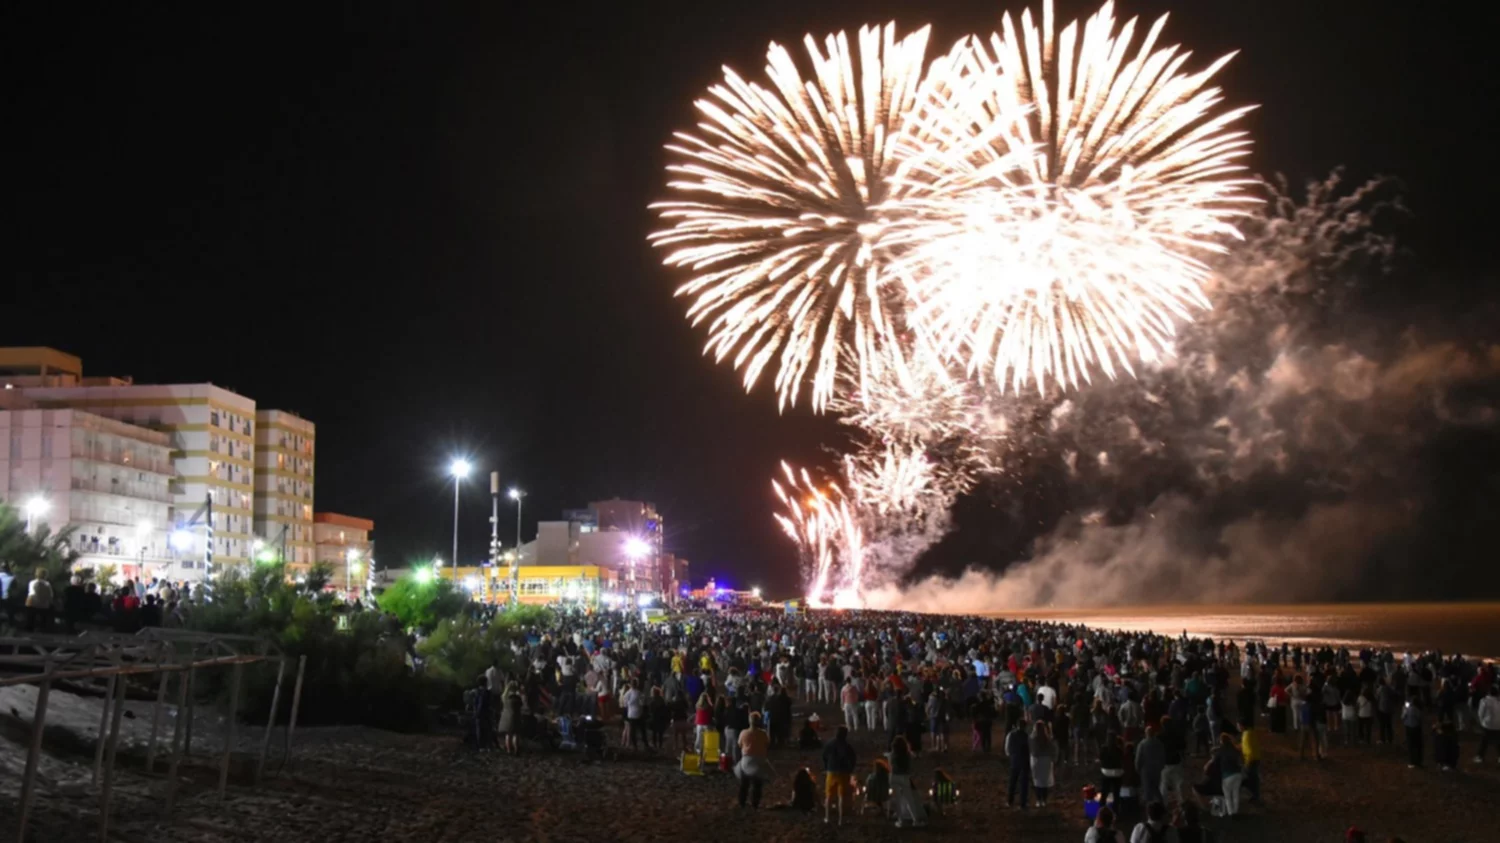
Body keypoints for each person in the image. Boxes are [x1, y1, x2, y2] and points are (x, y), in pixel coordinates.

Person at [735, 712, 774, 808]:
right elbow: (767, 744)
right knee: (758, 783)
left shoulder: (744, 733)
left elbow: (739, 744)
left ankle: (742, 801)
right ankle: (755, 803)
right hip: (760, 760)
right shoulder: (763, 733)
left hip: (747, 760)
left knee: (744, 782)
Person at [821, 725, 857, 825]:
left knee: (828, 796)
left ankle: (827, 817)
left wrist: (826, 766)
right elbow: (853, 759)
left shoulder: (829, 744)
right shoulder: (847, 746)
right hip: (844, 772)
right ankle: (841, 820)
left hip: (831, 771)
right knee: (842, 796)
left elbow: (824, 756)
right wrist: (850, 769)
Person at [888, 736, 924, 827]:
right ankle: (915, 820)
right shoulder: (907, 755)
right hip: (904, 777)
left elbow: (890, 766)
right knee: (909, 800)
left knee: (898, 800)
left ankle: (900, 821)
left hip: (894, 777)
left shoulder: (892, 755)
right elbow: (910, 767)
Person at [1214, 733, 1244, 817]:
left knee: (1227, 796)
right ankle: (1235, 811)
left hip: (1227, 775)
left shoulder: (1221, 750)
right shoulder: (1235, 749)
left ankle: (1231, 813)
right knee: (1236, 793)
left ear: (1221, 742)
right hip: (1237, 774)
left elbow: (1216, 761)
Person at [1136, 726, 1165, 807]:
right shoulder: (1159, 743)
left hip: (1146, 770)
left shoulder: (1142, 744)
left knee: (1147, 789)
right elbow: (1163, 757)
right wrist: (1161, 767)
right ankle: (1161, 805)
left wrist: (1138, 769)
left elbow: (1138, 758)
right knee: (1156, 788)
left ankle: (1149, 808)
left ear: (1146, 734)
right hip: (1156, 769)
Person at [1006, 716, 1031, 809]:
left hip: (1015, 760)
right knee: (1024, 783)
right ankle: (1023, 803)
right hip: (1024, 761)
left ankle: (1010, 800)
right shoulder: (1027, 736)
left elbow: (1007, 748)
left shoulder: (1011, 735)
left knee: (1013, 781)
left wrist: (1011, 755)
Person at [1031, 721, 1057, 808]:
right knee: (1044, 781)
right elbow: (1053, 750)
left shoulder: (1033, 739)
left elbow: (1031, 750)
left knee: (1037, 781)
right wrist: (1053, 759)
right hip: (1046, 761)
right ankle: (1044, 800)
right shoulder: (1048, 739)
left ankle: (1038, 800)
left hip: (1037, 761)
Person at [1475, 684, 1500, 765]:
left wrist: (1482, 722)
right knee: (1498, 741)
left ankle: (1480, 757)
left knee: (1484, 741)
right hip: (1498, 725)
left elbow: (1480, 713)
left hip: (1488, 724)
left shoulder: (1484, 701)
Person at [25, 567, 54, 633]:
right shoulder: (47, 584)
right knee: (43, 617)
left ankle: (29, 628)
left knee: (31, 617)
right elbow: (50, 595)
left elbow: (30, 593)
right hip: (43, 605)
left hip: (32, 604)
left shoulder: (32, 582)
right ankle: (42, 628)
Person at [498, 680, 522, 756]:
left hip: (505, 717)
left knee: (508, 735)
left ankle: (508, 750)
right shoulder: (517, 698)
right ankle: (516, 750)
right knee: (516, 734)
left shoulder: (504, 697)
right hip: (516, 716)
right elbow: (521, 705)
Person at [1239, 719, 1261, 803]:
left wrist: (1247, 762)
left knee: (1248, 778)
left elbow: (1249, 750)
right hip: (1256, 758)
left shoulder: (1246, 735)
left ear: (1242, 726)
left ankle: (1255, 796)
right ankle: (1255, 796)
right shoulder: (1250, 732)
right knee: (1253, 779)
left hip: (1251, 760)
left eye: (1238, 725)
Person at [1401, 694, 1424, 768]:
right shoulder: (1417, 709)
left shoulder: (1409, 709)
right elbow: (1420, 718)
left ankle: (1412, 761)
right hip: (1417, 728)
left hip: (1409, 728)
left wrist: (1404, 709)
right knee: (1417, 745)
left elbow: (1402, 717)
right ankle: (1418, 761)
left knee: (1411, 745)